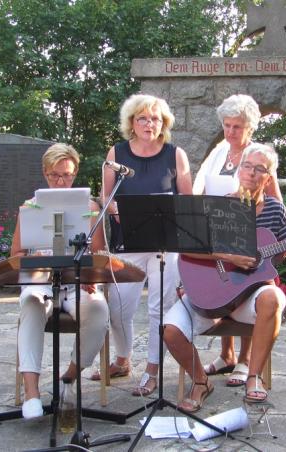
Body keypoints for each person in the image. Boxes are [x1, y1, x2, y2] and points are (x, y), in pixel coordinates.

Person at [163, 143, 286, 412]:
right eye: (247, 166)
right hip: (211, 294)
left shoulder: (275, 210)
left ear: (269, 177)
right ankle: (201, 382)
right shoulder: (219, 206)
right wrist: (229, 258)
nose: (251, 173)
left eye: (259, 169)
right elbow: (189, 249)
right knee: (170, 331)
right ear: (239, 171)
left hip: (248, 299)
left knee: (273, 296)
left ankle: (253, 377)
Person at [94, 94, 193, 397]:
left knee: (159, 308)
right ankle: (123, 359)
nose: (150, 124)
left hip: (166, 242)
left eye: (156, 119)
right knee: (119, 306)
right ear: (131, 123)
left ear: (164, 124)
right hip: (129, 239)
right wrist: (120, 212)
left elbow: (188, 202)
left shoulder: (176, 155)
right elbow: (105, 199)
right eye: (143, 118)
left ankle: (152, 369)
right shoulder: (116, 152)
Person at [10, 143, 109, 420]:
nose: (60, 181)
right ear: (44, 174)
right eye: (54, 175)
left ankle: (68, 378)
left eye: (65, 175)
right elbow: (16, 254)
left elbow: (99, 253)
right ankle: (32, 393)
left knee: (100, 311)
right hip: (42, 281)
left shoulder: (90, 208)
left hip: (78, 283)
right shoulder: (30, 207)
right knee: (31, 304)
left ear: (75, 173)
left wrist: (91, 275)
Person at [191, 94, 283, 388]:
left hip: (248, 238)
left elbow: (273, 200)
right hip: (219, 233)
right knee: (222, 288)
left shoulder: (259, 158)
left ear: (251, 128)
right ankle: (226, 354)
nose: (230, 132)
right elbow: (200, 189)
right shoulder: (218, 153)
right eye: (227, 125)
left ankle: (245, 360)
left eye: (237, 127)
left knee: (245, 289)